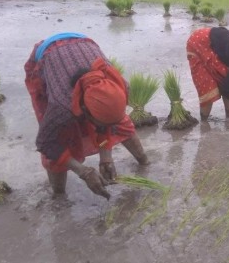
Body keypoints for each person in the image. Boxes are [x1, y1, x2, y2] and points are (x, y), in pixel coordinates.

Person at [24, 33, 149, 200]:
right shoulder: (61, 104)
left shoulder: (119, 87)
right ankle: (59, 197)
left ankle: (145, 163)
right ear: (84, 108)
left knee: (121, 124)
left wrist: (106, 158)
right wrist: (83, 172)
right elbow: (45, 142)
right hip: (46, 56)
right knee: (58, 136)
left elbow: (108, 124)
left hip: (83, 42)